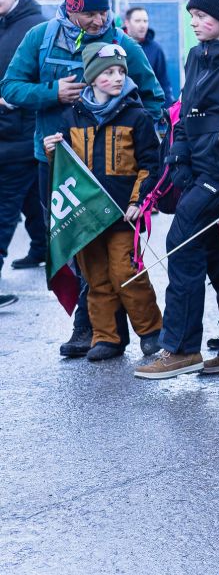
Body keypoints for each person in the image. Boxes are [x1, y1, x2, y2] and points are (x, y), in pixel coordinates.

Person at [3, 0, 165, 356]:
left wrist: (134, 131)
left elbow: (154, 99)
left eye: (103, 12)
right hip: (59, 165)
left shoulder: (123, 43)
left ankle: (121, 330)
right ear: (71, 7)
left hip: (116, 171)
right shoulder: (40, 38)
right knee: (79, 250)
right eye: (90, 13)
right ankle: (94, 329)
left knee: (121, 257)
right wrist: (52, 92)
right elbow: (10, 87)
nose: (99, 20)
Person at [134, 0, 219, 379]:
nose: (194, 23)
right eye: (192, 16)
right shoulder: (196, 55)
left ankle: (181, 348)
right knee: (215, 252)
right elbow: (185, 115)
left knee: (180, 241)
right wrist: (178, 158)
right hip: (200, 172)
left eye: (202, 16)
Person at [42, 42, 163, 362]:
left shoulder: (137, 116)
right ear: (92, 77)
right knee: (96, 279)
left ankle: (152, 332)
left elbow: (150, 164)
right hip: (87, 217)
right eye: (109, 72)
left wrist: (139, 201)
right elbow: (64, 172)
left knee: (127, 272)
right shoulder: (71, 116)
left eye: (121, 71)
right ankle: (108, 337)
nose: (118, 77)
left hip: (123, 215)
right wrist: (52, 152)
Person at [0, 0, 48, 276]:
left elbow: (44, 80)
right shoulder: (4, 25)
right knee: (30, 198)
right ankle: (42, 247)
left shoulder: (36, 27)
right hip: (9, 131)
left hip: (22, 131)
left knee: (4, 207)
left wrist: (12, 99)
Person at [123, 5, 172, 98]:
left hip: (148, 104)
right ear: (127, 23)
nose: (142, 25)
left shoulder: (156, 49)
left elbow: (163, 82)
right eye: (137, 21)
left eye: (145, 21)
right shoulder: (116, 44)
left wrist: (168, 104)